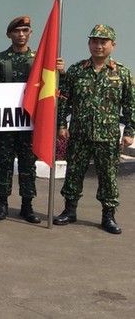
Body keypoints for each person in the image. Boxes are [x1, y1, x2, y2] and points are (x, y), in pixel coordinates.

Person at [54, 25, 135, 234]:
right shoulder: (77, 70)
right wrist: (61, 125)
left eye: (103, 42)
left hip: (107, 136)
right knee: (74, 173)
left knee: (108, 176)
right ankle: (69, 210)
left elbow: (130, 105)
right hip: (79, 133)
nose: (98, 46)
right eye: (94, 41)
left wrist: (129, 131)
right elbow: (64, 100)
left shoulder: (122, 73)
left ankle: (108, 215)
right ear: (89, 43)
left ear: (112, 45)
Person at [0, 16, 41, 223]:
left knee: (29, 165)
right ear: (9, 34)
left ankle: (27, 206)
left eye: (25, 30)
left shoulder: (40, 58)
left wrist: (60, 72)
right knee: (4, 163)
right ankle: (2, 204)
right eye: (17, 31)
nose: (21, 34)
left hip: (30, 122)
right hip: (6, 123)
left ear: (30, 33)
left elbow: (49, 88)